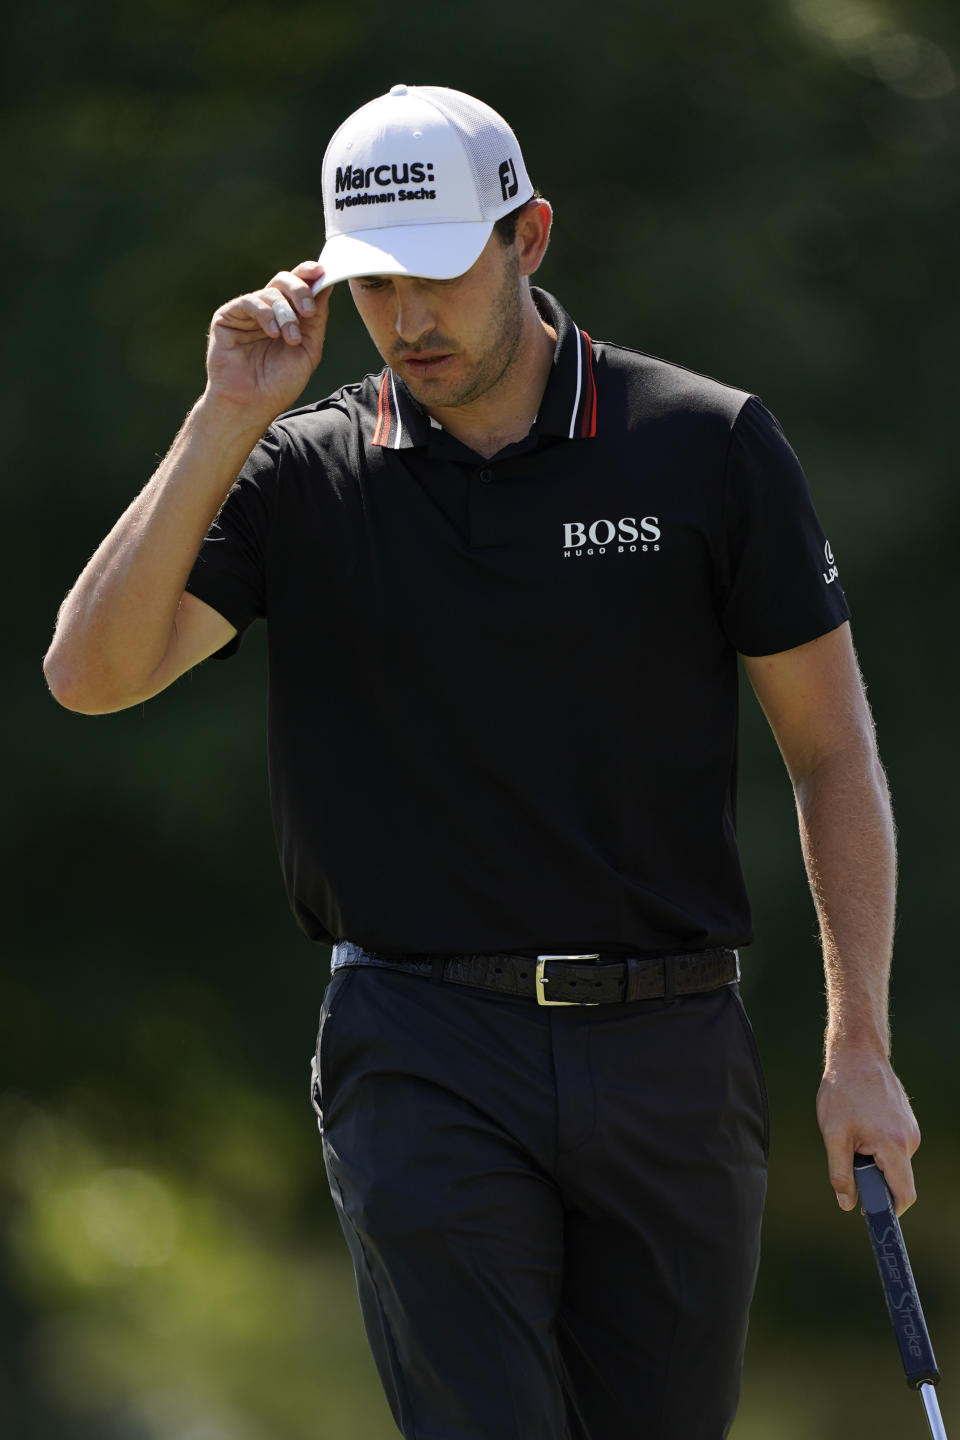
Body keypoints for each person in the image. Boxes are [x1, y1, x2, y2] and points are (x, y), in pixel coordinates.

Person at [44, 83, 920, 1439]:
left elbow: (831, 751)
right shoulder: (301, 470)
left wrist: (858, 1044)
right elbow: (90, 677)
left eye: (438, 270)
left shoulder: (704, 444)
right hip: (421, 1047)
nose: (407, 317)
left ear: (530, 237)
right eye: (375, 282)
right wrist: (223, 417)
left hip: (671, 1050)